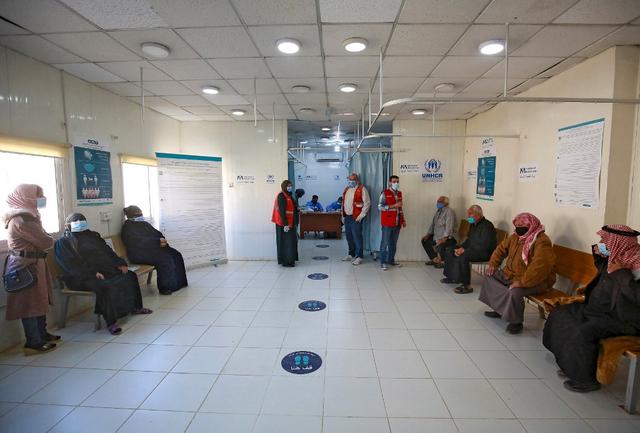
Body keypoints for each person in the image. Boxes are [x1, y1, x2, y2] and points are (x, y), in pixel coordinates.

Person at [543, 225, 640, 393]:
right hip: (597, 309)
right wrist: (600, 251)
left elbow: (635, 297)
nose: (601, 242)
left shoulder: (635, 264)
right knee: (561, 314)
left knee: (583, 331)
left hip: (623, 318)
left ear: (618, 243)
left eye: (604, 240)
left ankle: (585, 380)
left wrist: (622, 273)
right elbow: (602, 265)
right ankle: (570, 366)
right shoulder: (616, 256)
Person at [54, 213, 152, 335]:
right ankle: (111, 322)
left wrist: (120, 263)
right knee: (104, 286)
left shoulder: (93, 236)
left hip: (104, 271)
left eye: (82, 220)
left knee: (129, 276)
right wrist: (93, 273)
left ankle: (136, 307)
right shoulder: (63, 243)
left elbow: (108, 252)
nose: (80, 222)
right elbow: (71, 266)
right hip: (80, 277)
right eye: (76, 221)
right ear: (68, 225)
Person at [3, 184, 59, 354]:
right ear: (26, 198)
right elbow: (45, 242)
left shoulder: (29, 216)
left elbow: (43, 239)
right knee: (29, 304)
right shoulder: (23, 219)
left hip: (34, 263)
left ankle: (42, 333)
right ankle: (33, 342)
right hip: (25, 266)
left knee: (40, 299)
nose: (42, 199)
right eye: (38, 196)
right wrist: (48, 238)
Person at [479, 212, 555, 334]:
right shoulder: (515, 237)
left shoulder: (541, 241)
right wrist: (493, 265)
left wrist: (522, 282)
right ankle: (499, 309)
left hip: (537, 280)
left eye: (522, 225)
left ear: (531, 225)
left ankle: (516, 322)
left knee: (515, 291)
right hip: (511, 274)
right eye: (517, 225)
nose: (518, 228)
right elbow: (500, 249)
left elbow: (539, 267)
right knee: (489, 275)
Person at [121, 205, 188, 295]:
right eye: (138, 215)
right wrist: (157, 241)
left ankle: (179, 283)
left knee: (176, 254)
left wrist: (161, 239)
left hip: (153, 249)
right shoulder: (128, 228)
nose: (141, 216)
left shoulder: (144, 224)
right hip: (139, 254)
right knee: (164, 259)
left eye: (141, 214)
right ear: (131, 216)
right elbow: (138, 242)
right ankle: (166, 287)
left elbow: (157, 233)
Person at [442, 205, 497, 294]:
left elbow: (484, 245)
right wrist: (461, 247)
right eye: (468, 214)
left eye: (470, 214)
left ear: (478, 215)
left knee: (464, 256)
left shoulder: (487, 226)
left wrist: (465, 251)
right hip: (472, 250)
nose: (468, 217)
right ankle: (452, 277)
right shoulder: (473, 225)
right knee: (449, 250)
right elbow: (469, 240)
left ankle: (466, 285)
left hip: (484, 252)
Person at [341, 173, 370, 266]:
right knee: (349, 236)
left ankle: (359, 256)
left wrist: (361, 216)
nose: (351, 181)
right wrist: (343, 216)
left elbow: (367, 203)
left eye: (353, 179)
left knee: (357, 237)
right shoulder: (347, 189)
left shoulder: (362, 189)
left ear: (357, 180)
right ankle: (351, 254)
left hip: (356, 217)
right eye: (349, 179)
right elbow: (343, 203)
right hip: (347, 217)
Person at [378, 175, 406, 271]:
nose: (396, 183)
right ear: (390, 182)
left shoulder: (399, 193)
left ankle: (391, 260)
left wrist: (403, 220)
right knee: (384, 243)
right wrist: (393, 205)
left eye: (397, 181)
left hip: (397, 222)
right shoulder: (385, 193)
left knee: (393, 243)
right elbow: (380, 206)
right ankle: (383, 262)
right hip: (387, 222)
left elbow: (400, 208)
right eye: (394, 181)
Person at [421, 196, 457, 268]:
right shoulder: (438, 211)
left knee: (441, 245)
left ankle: (443, 262)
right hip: (436, 236)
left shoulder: (449, 212)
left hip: (447, 238)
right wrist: (428, 234)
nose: (438, 203)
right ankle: (435, 259)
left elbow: (449, 227)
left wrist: (443, 239)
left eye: (440, 202)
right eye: (438, 201)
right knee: (425, 241)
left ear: (446, 203)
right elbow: (433, 224)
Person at [272, 180, 299, 267]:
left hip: (290, 223)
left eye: (291, 185)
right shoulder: (281, 196)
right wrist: (285, 224)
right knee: (286, 243)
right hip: (284, 224)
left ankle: (291, 260)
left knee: (291, 242)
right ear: (284, 186)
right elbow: (281, 211)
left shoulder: (289, 195)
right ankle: (286, 261)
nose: (290, 187)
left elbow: (292, 207)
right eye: (288, 186)